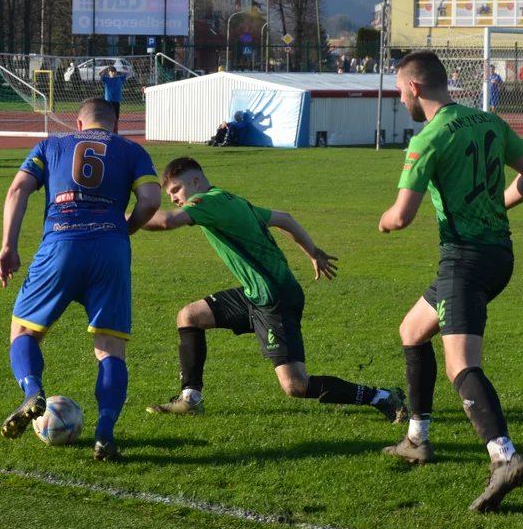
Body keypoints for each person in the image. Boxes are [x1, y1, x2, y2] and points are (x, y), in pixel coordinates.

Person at [378, 50, 523, 513]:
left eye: (399, 90)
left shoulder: (427, 139)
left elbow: (403, 216)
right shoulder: (488, 121)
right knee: (412, 330)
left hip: (464, 260)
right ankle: (417, 438)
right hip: (499, 254)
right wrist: (497, 205)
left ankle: (504, 456)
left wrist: (386, 221)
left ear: (414, 88)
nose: (400, 99)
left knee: (460, 365)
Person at [137, 156, 407, 423]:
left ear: (195, 181)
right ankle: (190, 400)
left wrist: (117, 218)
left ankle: (381, 397)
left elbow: (167, 221)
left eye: (175, 190)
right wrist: (313, 252)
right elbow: (284, 218)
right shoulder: (232, 200)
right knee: (190, 316)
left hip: (274, 297)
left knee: (296, 385)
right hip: (257, 292)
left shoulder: (208, 201)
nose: (173, 198)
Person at [0, 97, 161, 461]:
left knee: (24, 333)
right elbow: (150, 199)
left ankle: (32, 390)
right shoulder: (132, 149)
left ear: (79, 124)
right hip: (111, 250)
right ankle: (105, 431)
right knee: (110, 348)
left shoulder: (49, 145)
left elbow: (17, 189)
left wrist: (8, 246)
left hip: (60, 244)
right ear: (115, 125)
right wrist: (124, 229)